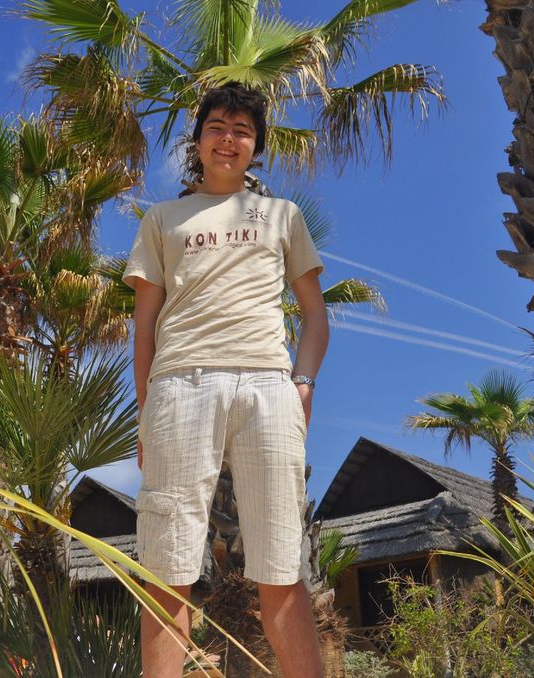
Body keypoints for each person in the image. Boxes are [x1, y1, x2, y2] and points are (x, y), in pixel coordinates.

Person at [123, 82, 329, 677]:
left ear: (255, 146)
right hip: (180, 386)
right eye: (217, 126)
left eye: (242, 130)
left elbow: (315, 317)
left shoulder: (283, 217)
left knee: (282, 566)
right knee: (168, 566)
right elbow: (145, 329)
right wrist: (145, 413)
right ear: (199, 139)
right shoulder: (162, 218)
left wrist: (304, 382)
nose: (228, 138)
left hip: (269, 385)